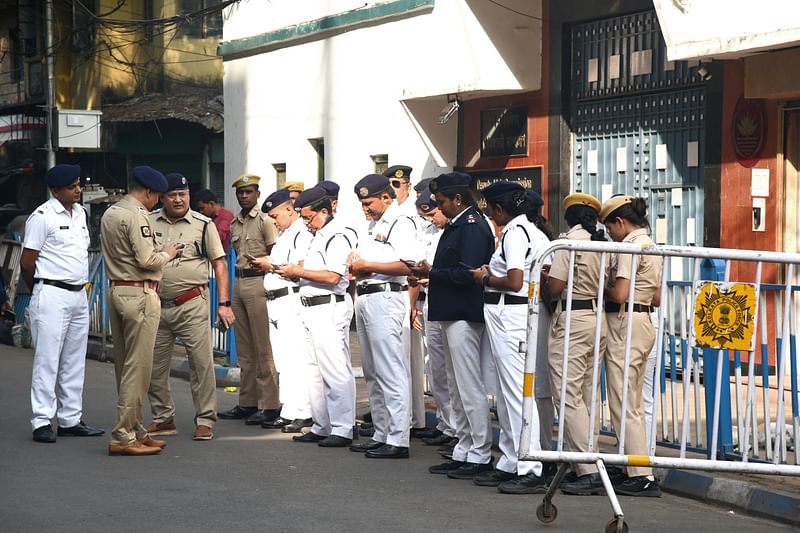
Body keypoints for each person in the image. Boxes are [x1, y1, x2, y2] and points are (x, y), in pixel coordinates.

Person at [411, 172, 496, 480]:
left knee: (468, 386)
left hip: (463, 312)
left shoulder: (472, 226)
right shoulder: (458, 224)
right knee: (456, 386)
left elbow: (469, 273)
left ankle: (479, 451)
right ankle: (464, 446)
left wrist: (433, 272)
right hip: (450, 311)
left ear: (458, 199)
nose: (439, 206)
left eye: (443, 201)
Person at [469, 181, 549, 494]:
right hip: (512, 315)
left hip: (511, 316)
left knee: (517, 394)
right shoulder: (532, 231)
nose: (489, 212)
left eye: (490, 207)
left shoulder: (516, 233)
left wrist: (485, 277)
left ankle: (530, 467)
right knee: (507, 393)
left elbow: (515, 281)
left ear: (500, 208)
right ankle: (511, 459)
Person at [146, 174, 235, 442]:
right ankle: (163, 418)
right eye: (172, 195)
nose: (177, 199)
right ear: (162, 197)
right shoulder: (148, 223)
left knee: (202, 364)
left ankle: (206, 419)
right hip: (156, 305)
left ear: (188, 196)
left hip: (192, 303)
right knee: (153, 366)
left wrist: (224, 303)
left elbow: (219, 264)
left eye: (182, 194)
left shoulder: (203, 225)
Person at [20, 164, 104, 443]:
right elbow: (27, 262)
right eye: (72, 186)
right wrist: (39, 292)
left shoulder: (80, 213)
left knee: (74, 359)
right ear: (56, 191)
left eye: (79, 184)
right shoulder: (41, 217)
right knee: (48, 360)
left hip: (79, 294)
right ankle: (42, 421)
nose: (78, 190)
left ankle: (70, 419)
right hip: (51, 292)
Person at [101, 165, 181, 456]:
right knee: (139, 367)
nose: (157, 202)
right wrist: (168, 253)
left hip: (117, 289)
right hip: (140, 293)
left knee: (125, 365)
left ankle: (136, 429)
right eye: (157, 196)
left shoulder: (112, 212)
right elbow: (148, 258)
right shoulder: (137, 215)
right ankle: (124, 435)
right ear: (148, 192)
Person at [276, 185, 357, 447]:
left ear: (325, 211)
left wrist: (298, 272)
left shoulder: (338, 236)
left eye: (310, 217)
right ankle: (322, 424)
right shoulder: (317, 236)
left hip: (329, 306)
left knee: (335, 370)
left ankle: (343, 427)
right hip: (309, 306)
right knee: (313, 370)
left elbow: (333, 276)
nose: (307, 223)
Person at [348, 174, 420, 459]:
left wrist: (368, 264)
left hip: (386, 296)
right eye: (362, 203)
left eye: (369, 202)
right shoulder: (373, 224)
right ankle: (382, 431)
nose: (365, 208)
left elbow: (409, 264)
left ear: (386, 197)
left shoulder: (401, 222)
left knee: (390, 369)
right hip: (366, 295)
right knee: (372, 370)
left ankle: (398, 438)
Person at [599, 195, 663, 497]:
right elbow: (657, 297)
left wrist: (599, 287)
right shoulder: (652, 245)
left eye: (609, 227)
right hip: (644, 322)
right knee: (633, 401)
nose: (609, 233)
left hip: (625, 323)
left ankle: (641, 474)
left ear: (620, 222)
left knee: (624, 402)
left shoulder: (628, 246)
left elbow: (621, 292)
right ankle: (633, 466)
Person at [544, 193, 608, 495]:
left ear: (569, 216)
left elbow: (555, 286)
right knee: (587, 395)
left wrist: (543, 282)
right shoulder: (600, 242)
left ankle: (587, 469)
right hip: (597, 318)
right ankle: (588, 459)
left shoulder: (568, 243)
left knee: (567, 395)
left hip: (573, 318)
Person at [250, 188, 314, 433]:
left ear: (289, 209)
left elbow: (297, 267)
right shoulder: (285, 233)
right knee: (283, 359)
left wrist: (269, 264)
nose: (274, 221)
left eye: (276, 216)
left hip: (290, 300)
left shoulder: (301, 233)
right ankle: (289, 409)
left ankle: (302, 411)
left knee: (295, 358)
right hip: (276, 301)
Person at [218, 174, 280, 426]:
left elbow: (276, 254)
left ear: (257, 193)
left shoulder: (265, 221)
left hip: (259, 281)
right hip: (239, 281)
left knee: (262, 347)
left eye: (249, 192)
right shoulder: (235, 223)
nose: (244, 196)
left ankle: (269, 404)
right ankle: (247, 402)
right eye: (240, 192)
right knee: (244, 349)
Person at [383, 164, 428, 436]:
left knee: (412, 361)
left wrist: (413, 305)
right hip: (401, 294)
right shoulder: (389, 215)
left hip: (413, 293)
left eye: (397, 185)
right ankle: (408, 417)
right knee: (405, 360)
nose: (393, 189)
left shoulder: (413, 214)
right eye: (389, 185)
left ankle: (415, 419)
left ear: (408, 186)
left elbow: (413, 262)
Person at [414, 192, 457, 447]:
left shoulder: (454, 230)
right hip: (429, 298)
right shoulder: (429, 232)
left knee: (451, 370)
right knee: (437, 368)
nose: (432, 218)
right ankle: (444, 422)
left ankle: (455, 428)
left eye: (433, 212)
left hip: (447, 298)